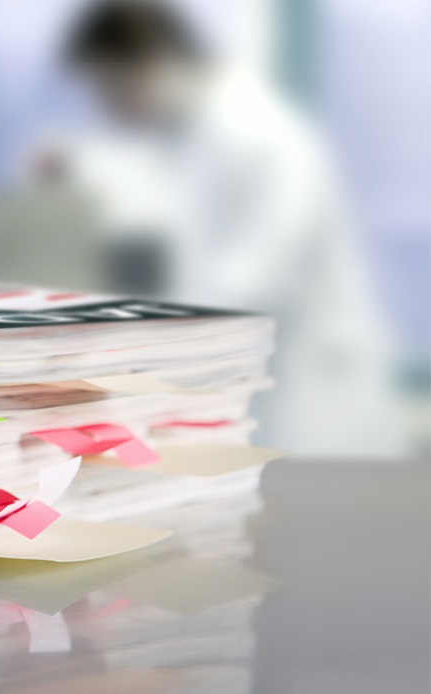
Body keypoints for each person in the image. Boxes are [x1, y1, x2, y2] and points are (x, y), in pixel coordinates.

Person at [58, 0, 404, 455]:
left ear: (151, 64)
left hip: (313, 396)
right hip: (267, 394)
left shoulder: (255, 132)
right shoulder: (193, 136)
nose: (111, 107)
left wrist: (142, 344)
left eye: (112, 89)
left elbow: (261, 277)